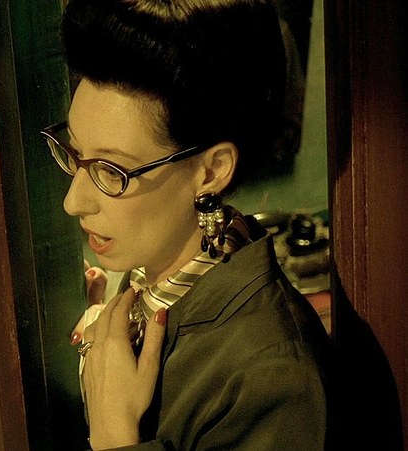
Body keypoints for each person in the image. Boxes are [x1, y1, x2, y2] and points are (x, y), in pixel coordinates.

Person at [39, 0, 333, 449]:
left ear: (211, 171)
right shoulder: (155, 274)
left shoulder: (271, 379)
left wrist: (116, 438)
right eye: (75, 154)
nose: (72, 202)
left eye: (111, 172)